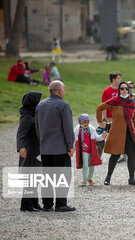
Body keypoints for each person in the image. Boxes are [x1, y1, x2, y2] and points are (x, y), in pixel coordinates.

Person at [35, 81, 75, 212]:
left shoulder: (40, 105)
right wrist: (70, 145)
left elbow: (37, 127)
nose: (64, 92)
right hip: (60, 148)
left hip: (45, 148)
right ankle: (60, 204)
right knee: (63, 176)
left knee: (47, 177)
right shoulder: (63, 105)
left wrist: (41, 142)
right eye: (63, 89)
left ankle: (47, 204)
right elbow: (68, 128)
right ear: (59, 91)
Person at [96, 82, 135, 186]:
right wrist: (100, 121)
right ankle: (108, 177)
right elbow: (99, 108)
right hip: (117, 134)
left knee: (131, 156)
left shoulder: (132, 102)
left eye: (126, 88)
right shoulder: (114, 101)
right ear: (119, 90)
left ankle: (132, 178)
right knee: (115, 156)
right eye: (122, 89)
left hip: (130, 134)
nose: (125, 90)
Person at [17, 91, 43, 212]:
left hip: (35, 150)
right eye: (38, 100)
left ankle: (34, 203)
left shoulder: (33, 114)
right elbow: (21, 133)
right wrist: (21, 147)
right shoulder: (27, 116)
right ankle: (26, 205)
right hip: (28, 151)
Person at [74, 114, 107, 186]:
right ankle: (84, 180)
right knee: (85, 164)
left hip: (91, 149)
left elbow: (96, 138)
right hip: (83, 150)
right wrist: (72, 149)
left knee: (92, 164)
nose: (86, 124)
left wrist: (102, 137)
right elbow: (75, 141)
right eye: (84, 122)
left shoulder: (91, 128)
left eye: (88, 122)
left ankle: (90, 178)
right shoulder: (77, 129)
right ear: (80, 122)